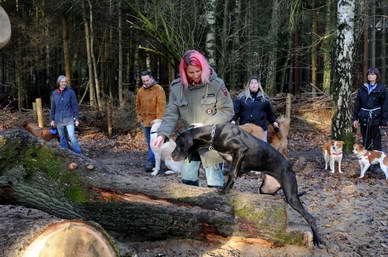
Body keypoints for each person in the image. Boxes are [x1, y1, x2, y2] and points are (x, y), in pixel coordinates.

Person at [153, 50, 234, 187]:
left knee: (213, 176)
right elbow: (171, 114)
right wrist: (162, 134)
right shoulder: (177, 88)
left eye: (199, 71)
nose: (196, 75)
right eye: (191, 72)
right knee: (188, 177)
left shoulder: (216, 84)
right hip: (189, 138)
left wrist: (205, 124)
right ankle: (189, 204)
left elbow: (227, 111)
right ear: (184, 71)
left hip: (211, 136)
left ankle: (216, 203)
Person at [231, 75, 279, 142]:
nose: (254, 85)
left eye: (255, 83)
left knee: (262, 150)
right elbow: (235, 112)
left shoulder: (265, 99)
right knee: (245, 150)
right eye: (252, 83)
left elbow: (270, 114)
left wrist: (274, 122)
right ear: (249, 85)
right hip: (245, 129)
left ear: (258, 85)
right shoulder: (241, 97)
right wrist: (232, 121)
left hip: (261, 129)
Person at [136, 71, 166, 172]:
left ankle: (151, 162)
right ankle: (154, 161)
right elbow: (138, 105)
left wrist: (159, 120)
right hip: (145, 121)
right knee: (149, 143)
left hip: (156, 122)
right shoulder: (140, 91)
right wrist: (140, 117)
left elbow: (161, 105)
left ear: (151, 78)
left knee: (156, 143)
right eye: (143, 81)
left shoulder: (158, 89)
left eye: (147, 80)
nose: (145, 82)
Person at [352, 67, 388, 152]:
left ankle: (376, 164)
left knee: (376, 142)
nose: (370, 76)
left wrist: (384, 121)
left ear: (377, 76)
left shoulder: (382, 89)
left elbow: (385, 106)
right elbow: (357, 105)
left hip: (376, 119)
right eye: (369, 74)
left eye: (372, 74)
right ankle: (367, 163)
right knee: (366, 140)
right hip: (364, 118)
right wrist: (355, 118)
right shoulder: (362, 89)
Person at [50, 75, 82, 154]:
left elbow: (74, 106)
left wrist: (76, 118)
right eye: (62, 82)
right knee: (62, 137)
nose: (64, 83)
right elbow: (53, 107)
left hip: (69, 118)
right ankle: (66, 154)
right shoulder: (54, 93)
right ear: (59, 83)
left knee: (71, 136)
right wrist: (52, 119)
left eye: (65, 82)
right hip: (58, 119)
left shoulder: (70, 92)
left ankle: (79, 154)